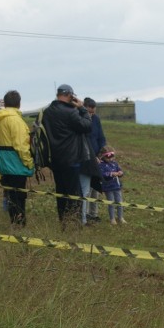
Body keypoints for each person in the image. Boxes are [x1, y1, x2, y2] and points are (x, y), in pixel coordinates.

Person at [41, 84, 93, 225]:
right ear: (70, 95)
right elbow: (87, 126)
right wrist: (82, 108)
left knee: (61, 192)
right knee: (74, 193)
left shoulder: (47, 112)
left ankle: (63, 221)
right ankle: (74, 223)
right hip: (71, 158)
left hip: (55, 159)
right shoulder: (71, 112)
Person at [0, 90, 34, 225]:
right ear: (19, 104)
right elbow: (21, 145)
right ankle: (20, 224)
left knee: (10, 195)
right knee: (19, 196)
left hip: (2, 163)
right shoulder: (16, 120)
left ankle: (14, 222)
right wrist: (29, 162)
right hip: (16, 164)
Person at [82, 97, 106, 223]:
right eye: (89, 112)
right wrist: (92, 156)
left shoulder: (96, 120)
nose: (91, 115)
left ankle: (94, 213)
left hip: (98, 157)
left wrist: (102, 153)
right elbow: (84, 140)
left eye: (93, 112)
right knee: (87, 187)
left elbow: (101, 137)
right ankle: (84, 214)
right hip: (86, 158)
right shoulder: (81, 120)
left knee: (96, 186)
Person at [98, 146, 126, 225]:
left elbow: (119, 170)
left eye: (112, 157)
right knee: (111, 203)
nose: (110, 159)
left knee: (119, 202)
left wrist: (120, 173)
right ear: (103, 156)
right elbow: (102, 174)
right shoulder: (101, 165)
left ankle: (120, 217)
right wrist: (111, 174)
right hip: (108, 187)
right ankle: (112, 219)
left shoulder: (115, 164)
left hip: (117, 186)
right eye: (108, 158)